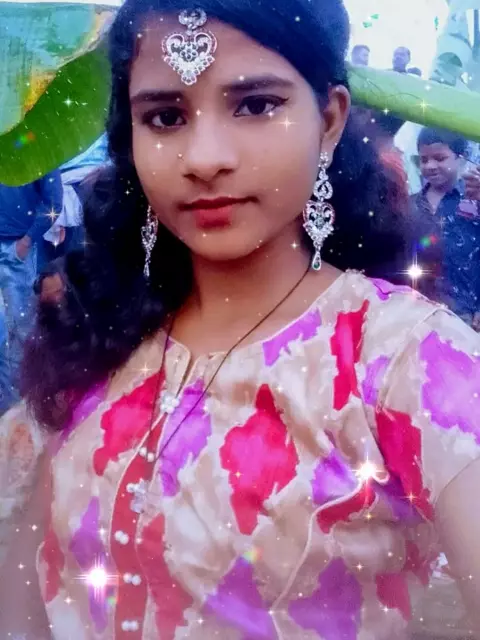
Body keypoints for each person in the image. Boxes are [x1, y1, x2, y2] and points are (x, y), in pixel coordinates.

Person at [1, 1, 480, 639]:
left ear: (330, 120)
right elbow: (24, 594)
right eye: (165, 117)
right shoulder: (98, 330)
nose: (204, 158)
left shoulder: (404, 357)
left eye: (255, 105)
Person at [0, 171, 63, 400]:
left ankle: (18, 404)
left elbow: (54, 201)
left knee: (20, 331)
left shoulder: (34, 152)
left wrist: (27, 241)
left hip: (16, 251)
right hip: (16, 248)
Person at [409, 127, 480, 326]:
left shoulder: (474, 199)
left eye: (439, 158)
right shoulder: (410, 204)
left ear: (461, 157)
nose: (430, 166)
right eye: (424, 160)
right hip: (418, 312)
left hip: (464, 314)